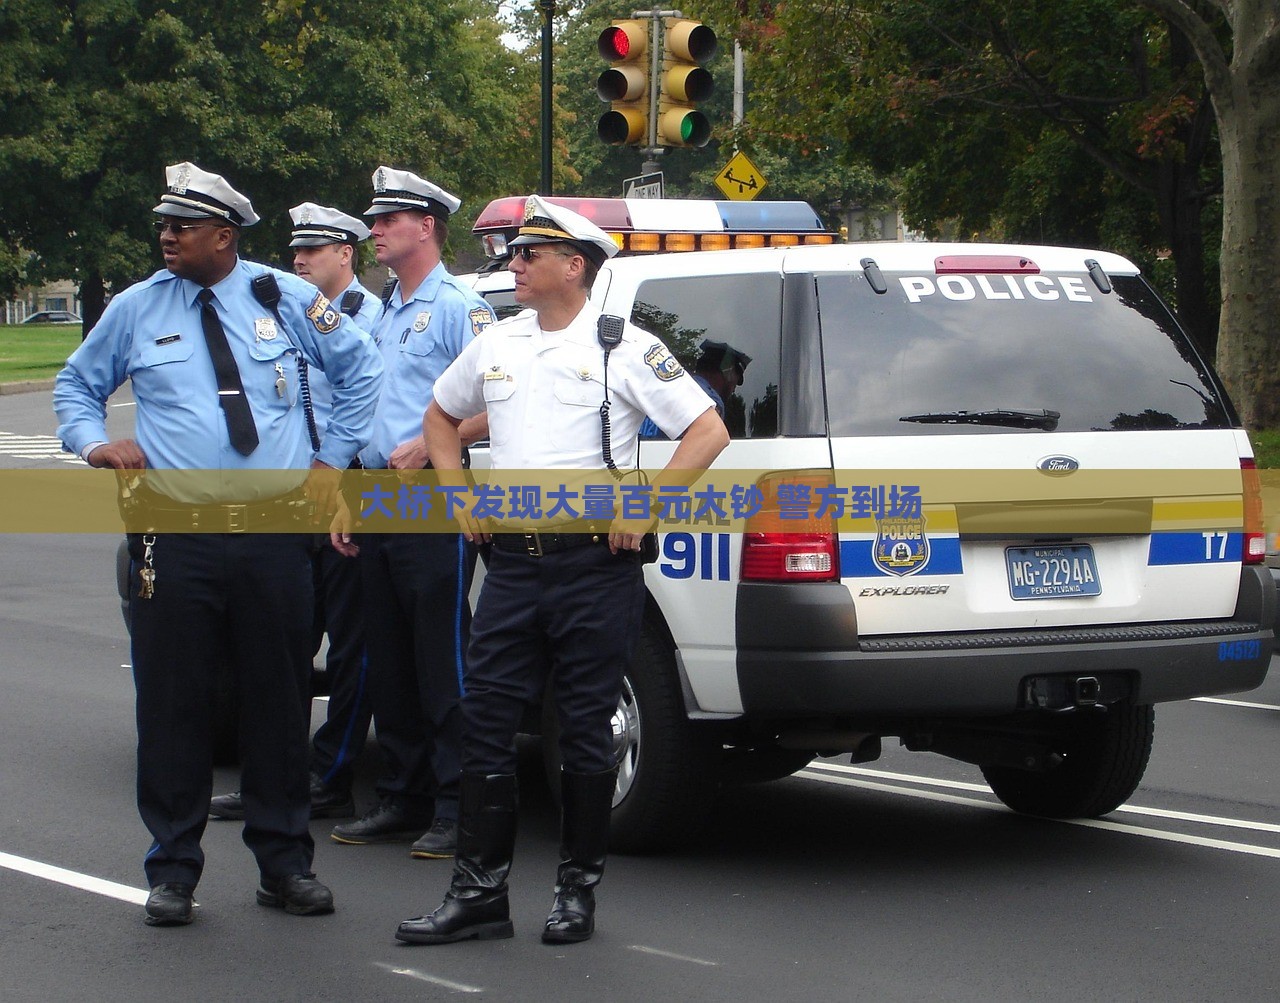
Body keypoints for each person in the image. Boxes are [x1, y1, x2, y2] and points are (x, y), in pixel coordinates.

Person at [53, 163, 383, 926]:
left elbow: (361, 367)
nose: (166, 236)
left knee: (277, 699)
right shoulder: (136, 308)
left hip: (273, 537)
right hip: (178, 535)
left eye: (182, 226)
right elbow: (77, 387)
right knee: (174, 705)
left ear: (224, 236)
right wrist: (95, 443)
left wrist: (332, 460)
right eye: (164, 225)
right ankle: (171, 869)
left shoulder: (286, 296)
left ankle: (284, 864)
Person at [399, 196, 729, 945]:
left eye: (527, 256)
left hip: (592, 567)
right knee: (484, 723)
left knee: (583, 731)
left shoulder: (622, 346)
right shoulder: (499, 343)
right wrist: (457, 496)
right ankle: (478, 894)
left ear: (573, 267)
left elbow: (707, 428)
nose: (513, 266)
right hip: (513, 564)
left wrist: (647, 504)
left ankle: (576, 895)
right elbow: (440, 418)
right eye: (513, 255)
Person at [327, 167, 495, 860]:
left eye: (386, 220)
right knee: (388, 654)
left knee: (441, 659)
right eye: (374, 220)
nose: (374, 231)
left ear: (425, 226)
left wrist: (439, 443)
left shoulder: (459, 304)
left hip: (430, 495)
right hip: (374, 492)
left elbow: (503, 397)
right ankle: (403, 793)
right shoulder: (382, 308)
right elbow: (365, 404)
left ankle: (460, 803)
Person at [208, 202, 381, 823]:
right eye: (295, 251)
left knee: (348, 646)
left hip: (347, 489)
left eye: (314, 250)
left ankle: (331, 774)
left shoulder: (369, 318)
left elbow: (371, 400)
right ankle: (268, 778)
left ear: (346, 254)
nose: (300, 261)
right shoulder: (280, 310)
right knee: (274, 646)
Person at [638, 339, 752, 439]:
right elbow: (704, 445)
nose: (733, 390)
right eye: (735, 382)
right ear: (728, 374)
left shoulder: (667, 386)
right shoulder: (708, 402)